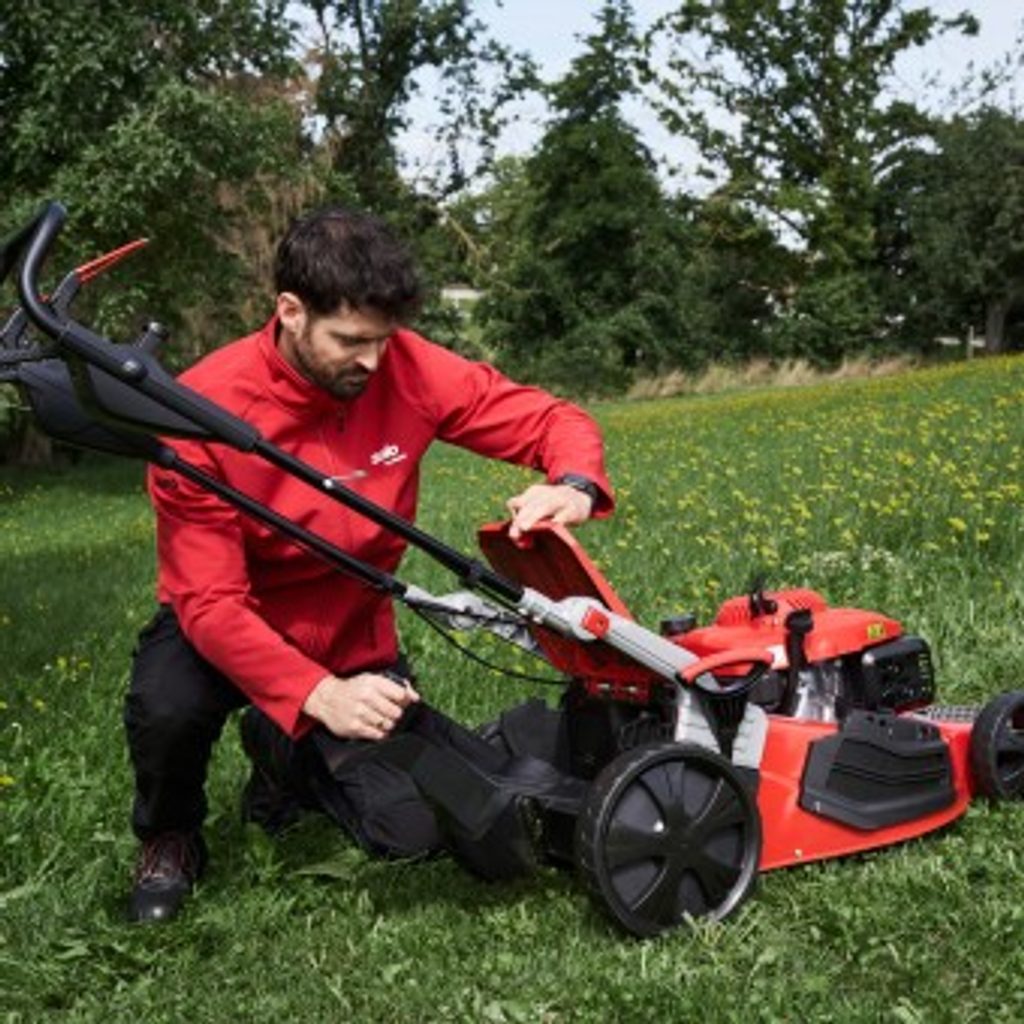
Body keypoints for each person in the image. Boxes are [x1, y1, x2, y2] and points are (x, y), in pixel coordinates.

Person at [125, 206, 614, 923]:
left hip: (353, 631)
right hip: (228, 626)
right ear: (290, 312)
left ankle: (282, 753)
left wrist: (570, 484)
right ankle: (169, 835)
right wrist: (315, 693)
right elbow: (210, 603)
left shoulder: (408, 366)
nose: (374, 362)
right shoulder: (198, 413)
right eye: (351, 341)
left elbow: (551, 419)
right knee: (165, 705)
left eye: (383, 339)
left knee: (410, 832)